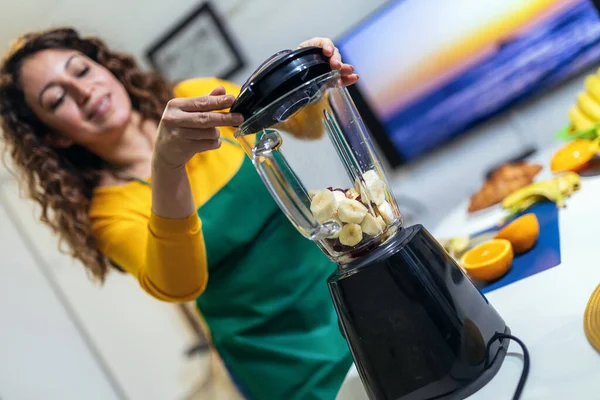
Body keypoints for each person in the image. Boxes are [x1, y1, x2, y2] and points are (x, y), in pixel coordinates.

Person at [0, 27, 360, 399]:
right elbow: (180, 285)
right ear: (56, 137)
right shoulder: (107, 213)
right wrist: (167, 167)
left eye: (81, 70)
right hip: (282, 357)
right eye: (58, 99)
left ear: (105, 67)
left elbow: (307, 127)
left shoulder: (196, 98)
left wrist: (311, 78)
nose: (84, 91)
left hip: (346, 290)